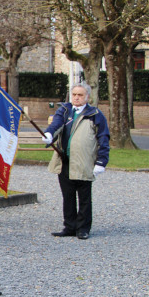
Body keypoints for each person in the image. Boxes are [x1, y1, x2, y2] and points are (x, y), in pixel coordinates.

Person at [42, 82, 110, 240]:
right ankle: (70, 226)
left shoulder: (95, 115)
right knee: (68, 196)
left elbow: (103, 139)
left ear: (87, 97)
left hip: (84, 162)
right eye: (74, 95)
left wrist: (101, 162)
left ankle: (83, 228)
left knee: (84, 197)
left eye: (80, 95)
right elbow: (56, 125)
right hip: (65, 161)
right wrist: (49, 134)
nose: (77, 98)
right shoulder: (64, 111)